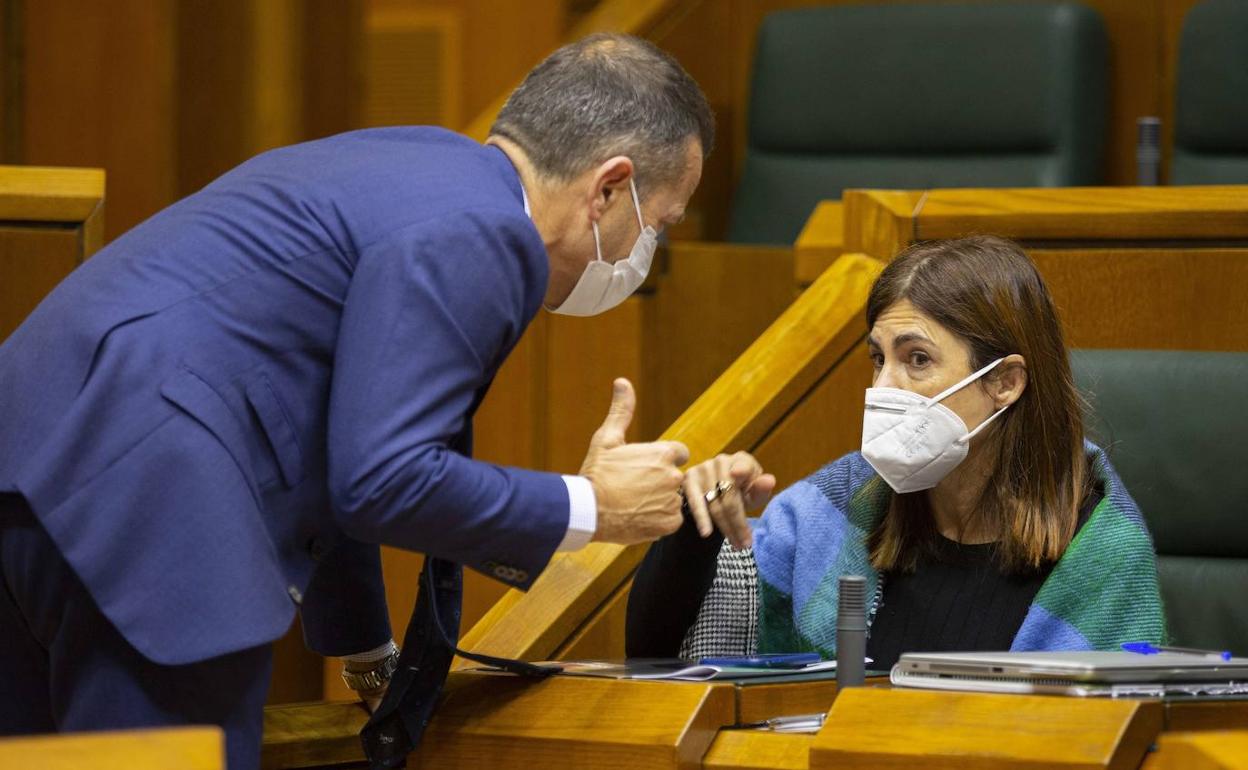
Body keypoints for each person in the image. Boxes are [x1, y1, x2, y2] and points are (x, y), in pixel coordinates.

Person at [0, 33, 740, 770]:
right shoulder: (486, 234)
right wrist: (591, 506)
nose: (648, 248)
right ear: (608, 188)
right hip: (151, 510)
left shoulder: (417, 165)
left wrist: (367, 653)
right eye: (659, 223)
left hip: (34, 462)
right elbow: (384, 478)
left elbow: (334, 433)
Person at [627, 235, 1166, 668]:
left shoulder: (1101, 549)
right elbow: (659, 653)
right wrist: (696, 525)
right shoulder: (841, 504)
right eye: (878, 358)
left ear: (1005, 382)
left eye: (917, 359)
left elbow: (1106, 733)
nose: (884, 387)